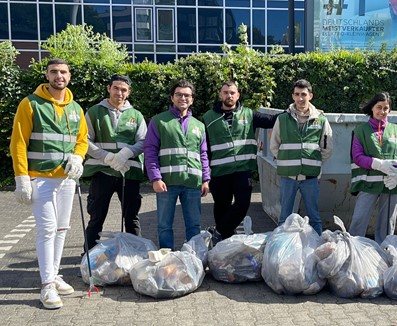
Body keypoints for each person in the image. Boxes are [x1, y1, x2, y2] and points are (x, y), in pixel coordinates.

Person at [10, 58, 88, 309]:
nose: (59, 76)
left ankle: (54, 277)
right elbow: (19, 142)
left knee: (62, 229)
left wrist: (78, 156)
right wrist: (21, 178)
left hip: (65, 180)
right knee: (47, 229)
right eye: (54, 72)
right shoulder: (30, 104)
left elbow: (82, 139)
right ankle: (46, 286)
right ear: (46, 75)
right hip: (40, 178)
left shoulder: (75, 107)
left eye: (63, 72)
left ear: (70, 75)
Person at [202, 81, 278, 240]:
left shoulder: (249, 114)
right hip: (219, 172)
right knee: (221, 207)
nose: (229, 95)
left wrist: (294, 110)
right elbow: (203, 148)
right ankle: (224, 245)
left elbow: (272, 120)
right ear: (220, 94)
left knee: (242, 205)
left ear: (238, 95)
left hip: (242, 171)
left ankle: (218, 231)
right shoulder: (207, 118)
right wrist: (205, 175)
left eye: (232, 92)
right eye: (225, 92)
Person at [82, 74, 147, 252]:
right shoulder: (95, 112)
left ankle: (136, 254)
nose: (120, 92)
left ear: (129, 92)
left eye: (124, 89)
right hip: (103, 171)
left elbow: (143, 141)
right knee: (96, 217)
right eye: (116, 88)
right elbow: (85, 140)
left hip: (129, 173)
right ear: (109, 88)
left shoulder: (136, 115)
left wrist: (126, 153)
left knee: (132, 217)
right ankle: (88, 257)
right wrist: (107, 158)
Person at [144, 80, 210, 250]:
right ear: (172, 98)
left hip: (193, 183)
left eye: (187, 95)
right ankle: (167, 258)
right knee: (165, 225)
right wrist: (155, 178)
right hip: (167, 182)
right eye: (179, 94)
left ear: (192, 99)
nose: (183, 98)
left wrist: (205, 179)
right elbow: (150, 150)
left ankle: (195, 257)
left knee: (194, 225)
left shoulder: (199, 125)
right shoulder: (159, 121)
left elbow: (203, 154)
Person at [269, 79, 333, 235]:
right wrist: (286, 162)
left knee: (314, 216)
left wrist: (315, 165)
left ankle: (317, 247)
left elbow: (327, 148)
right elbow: (274, 145)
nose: (300, 98)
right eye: (297, 94)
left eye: (303, 94)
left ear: (310, 96)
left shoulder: (321, 120)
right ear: (292, 96)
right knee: (284, 217)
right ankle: (281, 247)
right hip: (288, 176)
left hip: (310, 177)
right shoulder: (282, 119)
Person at [348, 92, 397, 243]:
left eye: (386, 108)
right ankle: (353, 253)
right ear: (372, 108)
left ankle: (384, 254)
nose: (382, 111)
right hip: (368, 184)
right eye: (379, 107)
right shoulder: (361, 130)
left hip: (392, 184)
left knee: (387, 226)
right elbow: (357, 156)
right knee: (359, 221)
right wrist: (378, 164)